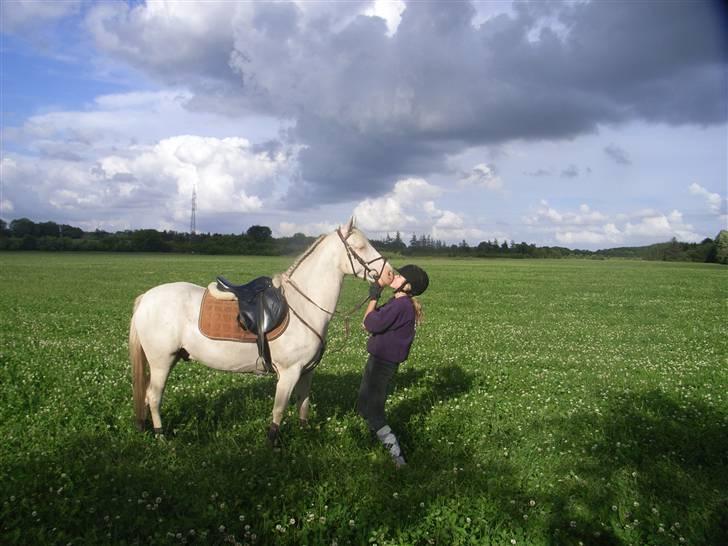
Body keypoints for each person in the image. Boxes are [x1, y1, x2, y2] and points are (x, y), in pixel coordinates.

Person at [356, 264, 429, 467]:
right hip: (377, 361)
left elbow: (368, 324)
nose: (394, 276)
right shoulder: (397, 302)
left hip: (383, 365)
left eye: (399, 276)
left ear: (407, 286)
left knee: (374, 411)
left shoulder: (401, 305)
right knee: (363, 404)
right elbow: (368, 322)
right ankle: (369, 443)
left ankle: (398, 461)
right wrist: (377, 295)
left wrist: (374, 296)